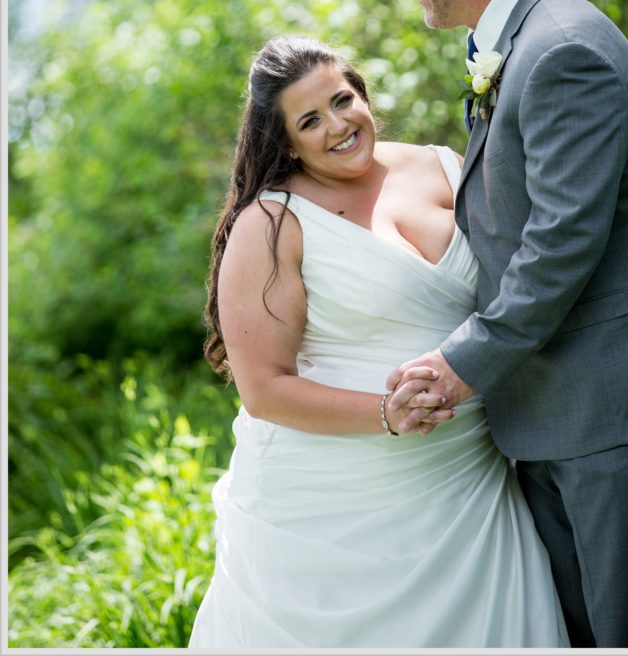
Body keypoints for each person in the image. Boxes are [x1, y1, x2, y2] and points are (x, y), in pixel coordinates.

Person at [189, 35, 569, 649]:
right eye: (310, 120)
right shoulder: (272, 223)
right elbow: (264, 390)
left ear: (361, 92)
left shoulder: (442, 164)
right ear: (284, 142)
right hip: (339, 505)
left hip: (470, 480)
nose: (338, 125)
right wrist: (385, 414)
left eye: (343, 99)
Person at [386, 0, 628, 648]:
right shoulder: (517, 42)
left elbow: (560, 244)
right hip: (554, 417)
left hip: (612, 420)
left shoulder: (562, 49)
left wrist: (460, 362)